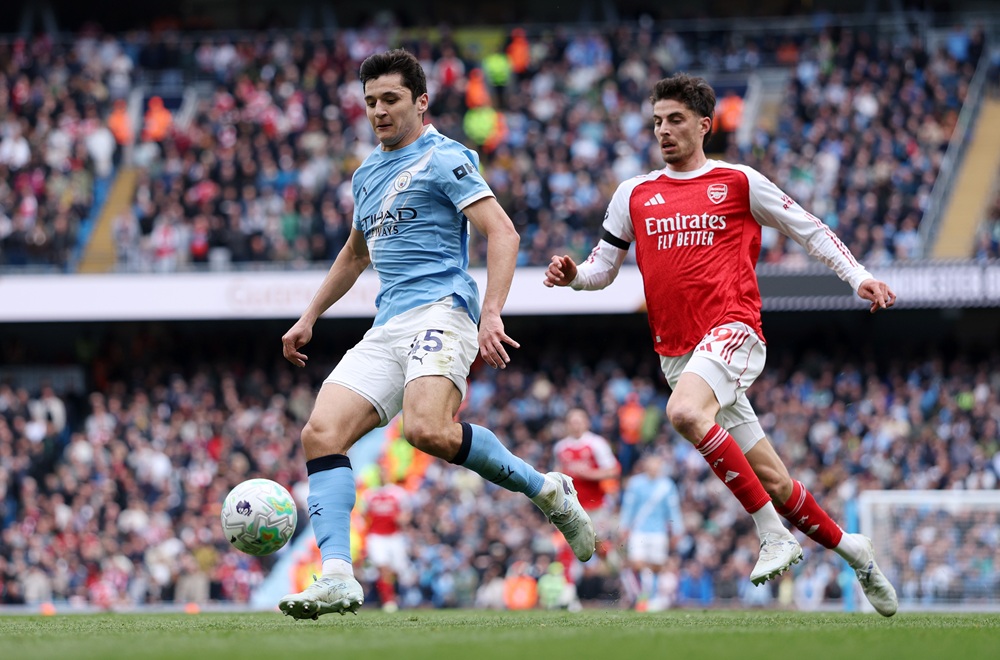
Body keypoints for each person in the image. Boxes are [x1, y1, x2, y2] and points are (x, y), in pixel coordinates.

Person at [543, 72, 898, 616]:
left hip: (733, 331)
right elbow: (602, 268)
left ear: (704, 125)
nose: (663, 130)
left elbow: (808, 228)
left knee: (684, 412)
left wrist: (859, 277)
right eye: (657, 121)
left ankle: (771, 534)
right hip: (677, 353)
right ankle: (856, 552)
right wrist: (573, 277)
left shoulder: (738, 181)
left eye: (675, 120)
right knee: (776, 480)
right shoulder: (633, 193)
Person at [277, 49, 594, 620]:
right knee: (320, 434)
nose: (378, 110)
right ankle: (338, 577)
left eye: (390, 99)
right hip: (388, 324)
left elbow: (503, 233)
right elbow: (355, 254)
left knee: (425, 430)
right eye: (370, 101)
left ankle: (548, 491)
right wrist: (309, 316)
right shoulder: (366, 174)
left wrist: (491, 313)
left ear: (421, 102)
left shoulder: (445, 157)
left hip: (442, 311)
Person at [618, 453, 684, 610]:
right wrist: (624, 526)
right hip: (638, 531)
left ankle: (653, 598)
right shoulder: (635, 483)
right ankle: (640, 597)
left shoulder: (667, 485)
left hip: (658, 532)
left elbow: (673, 510)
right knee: (636, 563)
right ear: (646, 466)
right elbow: (628, 507)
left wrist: (677, 530)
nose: (653, 468)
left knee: (657, 566)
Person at [553, 408, 621, 546]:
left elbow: (614, 470)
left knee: (600, 543)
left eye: (579, 422)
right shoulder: (560, 447)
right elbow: (557, 472)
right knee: (576, 545)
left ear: (586, 423)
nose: (575, 425)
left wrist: (588, 474)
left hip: (597, 504)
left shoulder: (597, 443)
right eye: (572, 422)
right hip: (572, 506)